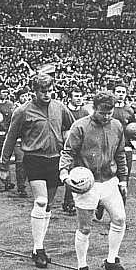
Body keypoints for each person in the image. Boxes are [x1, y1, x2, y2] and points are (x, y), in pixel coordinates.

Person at [0, 74, 74, 268]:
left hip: (55, 160)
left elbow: (74, 128)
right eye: (43, 91)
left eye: (50, 91)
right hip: (34, 159)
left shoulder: (60, 107)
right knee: (40, 202)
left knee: (47, 205)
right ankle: (38, 248)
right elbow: (10, 137)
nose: (47, 94)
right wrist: (4, 165)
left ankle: (38, 247)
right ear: (34, 91)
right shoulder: (23, 111)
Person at [59, 91, 131, 270]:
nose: (107, 116)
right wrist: (64, 173)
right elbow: (68, 151)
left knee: (120, 218)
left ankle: (111, 260)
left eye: (110, 112)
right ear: (94, 108)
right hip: (86, 183)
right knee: (85, 228)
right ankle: (82, 268)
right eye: (102, 113)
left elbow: (120, 153)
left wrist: (123, 179)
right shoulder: (80, 126)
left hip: (108, 180)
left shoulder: (116, 126)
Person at [95, 82, 135, 221]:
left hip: (123, 148)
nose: (121, 94)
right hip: (107, 147)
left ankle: (119, 215)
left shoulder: (129, 110)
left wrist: (133, 139)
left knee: (123, 181)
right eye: (118, 91)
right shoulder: (105, 109)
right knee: (104, 178)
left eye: (123, 92)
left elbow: (133, 128)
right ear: (113, 93)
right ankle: (100, 205)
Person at [62, 86, 90, 216]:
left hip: (82, 148)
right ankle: (68, 202)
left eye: (81, 96)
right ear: (70, 98)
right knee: (69, 172)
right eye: (76, 96)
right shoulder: (64, 110)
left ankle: (78, 201)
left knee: (80, 172)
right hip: (67, 147)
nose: (79, 99)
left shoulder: (85, 112)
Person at [12, 87, 31, 197]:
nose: (25, 98)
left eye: (26, 96)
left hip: (29, 139)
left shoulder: (31, 107)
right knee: (20, 162)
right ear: (18, 97)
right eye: (22, 96)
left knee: (29, 163)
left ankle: (26, 183)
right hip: (18, 139)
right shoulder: (15, 109)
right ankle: (21, 186)